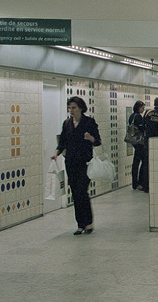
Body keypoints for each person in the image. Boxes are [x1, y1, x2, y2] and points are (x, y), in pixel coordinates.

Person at [51, 96, 101, 235]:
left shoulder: (88, 122)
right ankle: (80, 224)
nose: (71, 110)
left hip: (85, 162)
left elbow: (98, 141)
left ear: (80, 108)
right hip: (71, 162)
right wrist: (56, 152)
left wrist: (90, 138)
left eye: (73, 107)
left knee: (82, 191)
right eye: (69, 107)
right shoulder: (67, 123)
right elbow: (63, 142)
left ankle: (88, 222)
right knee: (75, 192)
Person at [129, 100, 148, 192]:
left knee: (136, 162)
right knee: (143, 161)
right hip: (139, 142)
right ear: (138, 107)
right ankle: (139, 183)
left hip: (134, 142)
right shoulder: (138, 117)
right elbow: (142, 128)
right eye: (142, 108)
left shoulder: (132, 116)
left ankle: (135, 183)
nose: (143, 109)